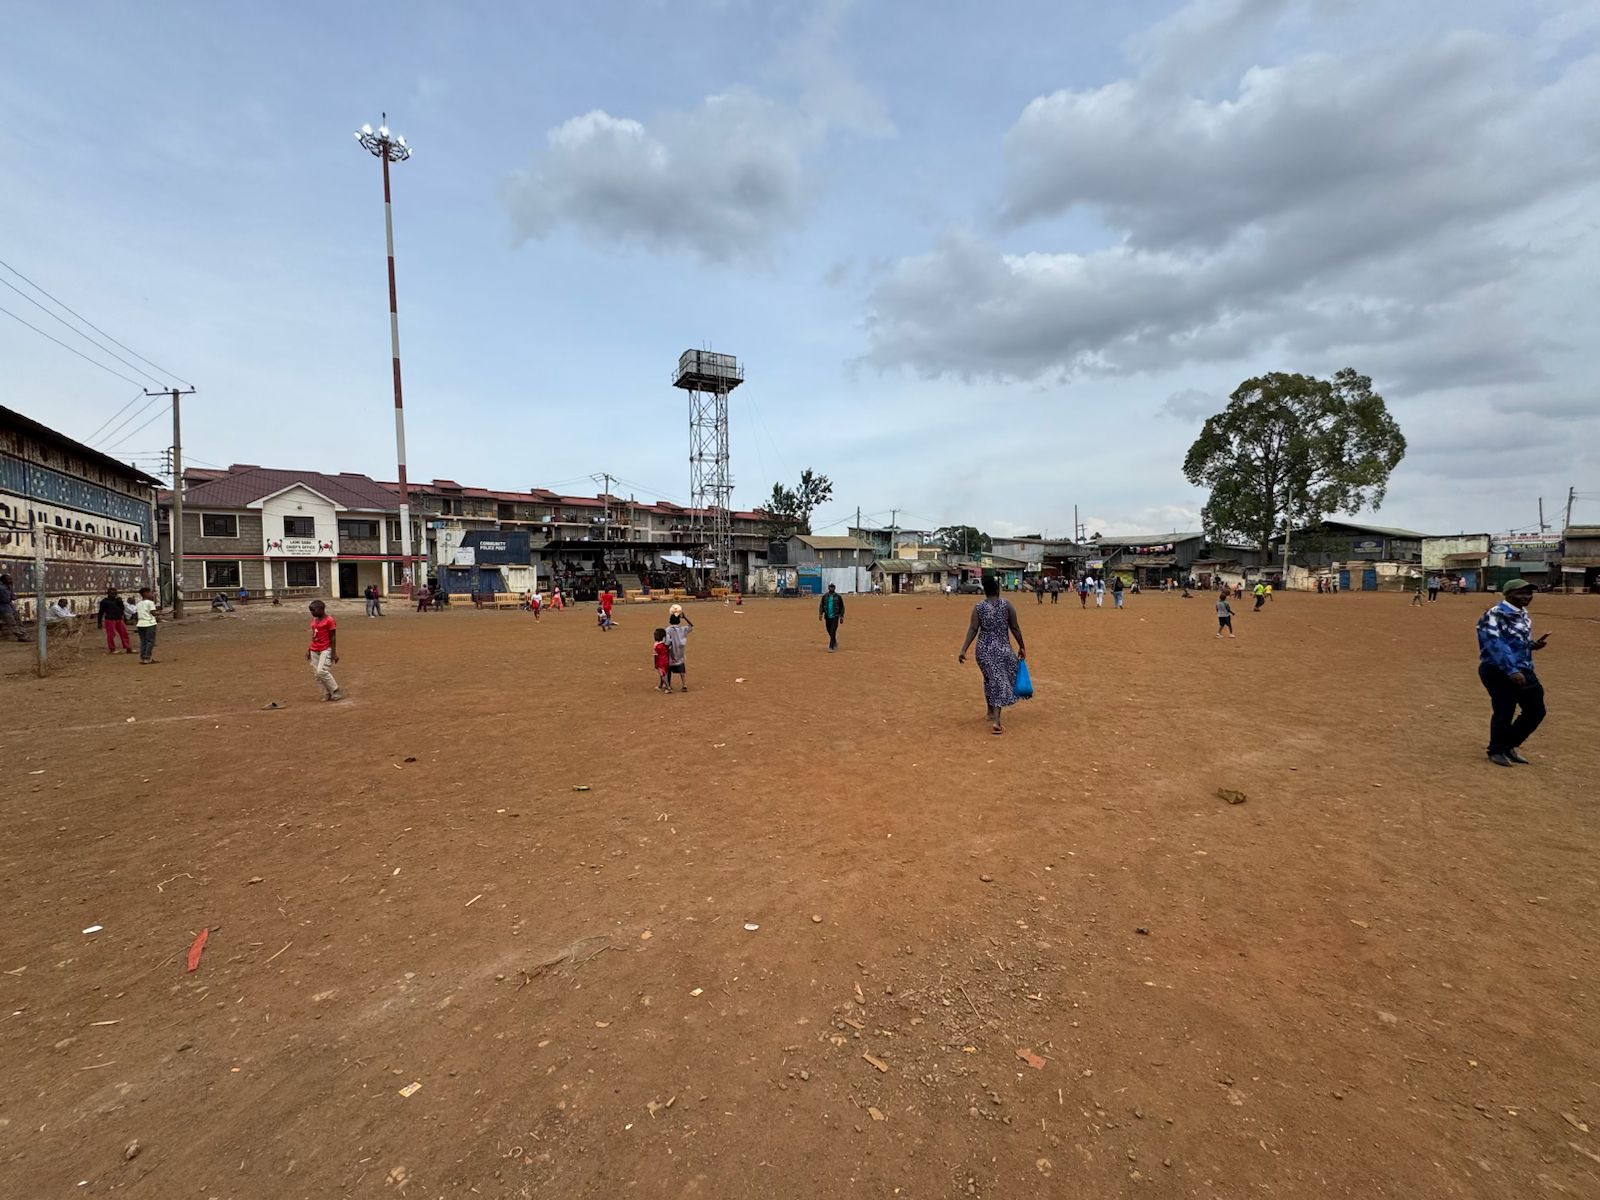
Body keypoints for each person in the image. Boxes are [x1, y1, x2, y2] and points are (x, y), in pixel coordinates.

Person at [1476, 579, 1549, 767]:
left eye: (1529, 593)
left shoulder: (1523, 614)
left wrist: (1532, 646)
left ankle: (1508, 745)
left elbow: (1514, 641)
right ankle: (1496, 750)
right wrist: (1511, 670)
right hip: (1498, 669)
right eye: (1520, 593)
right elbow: (1495, 644)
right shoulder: (1494, 615)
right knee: (1504, 710)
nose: (1526, 597)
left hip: (1523, 667)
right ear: (1507, 594)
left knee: (1536, 710)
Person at [958, 574, 1027, 736]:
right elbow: (1015, 628)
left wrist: (964, 649)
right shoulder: (1007, 605)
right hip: (1002, 649)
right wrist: (1022, 646)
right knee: (999, 681)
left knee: (990, 679)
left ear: (985, 590)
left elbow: (973, 629)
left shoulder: (979, 607)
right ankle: (997, 721)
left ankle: (990, 711)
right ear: (997, 589)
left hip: (983, 651)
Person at [306, 599, 342, 701]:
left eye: (313, 610)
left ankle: (335, 690)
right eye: (311, 611)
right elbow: (314, 636)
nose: (312, 613)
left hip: (325, 648)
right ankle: (326, 693)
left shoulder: (329, 620)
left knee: (321, 671)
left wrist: (334, 653)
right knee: (316, 674)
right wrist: (309, 649)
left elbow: (333, 637)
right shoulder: (314, 620)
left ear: (321, 609)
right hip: (314, 649)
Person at [98, 586, 132, 654]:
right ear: (108, 594)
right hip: (110, 620)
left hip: (119, 619)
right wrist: (99, 622)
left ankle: (128, 647)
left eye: (115, 594)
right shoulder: (104, 602)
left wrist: (120, 603)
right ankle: (112, 648)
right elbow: (101, 612)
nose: (113, 595)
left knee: (124, 633)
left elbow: (122, 609)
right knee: (111, 635)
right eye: (112, 593)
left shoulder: (118, 600)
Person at [665, 609, 693, 689]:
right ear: (679, 621)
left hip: (671, 652)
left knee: (669, 669)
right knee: (681, 669)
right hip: (680, 652)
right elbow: (691, 625)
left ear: (670, 621)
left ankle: (668, 685)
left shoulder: (668, 630)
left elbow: (667, 642)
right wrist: (685, 617)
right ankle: (684, 684)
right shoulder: (682, 629)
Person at [134, 586, 159, 664]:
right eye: (150, 593)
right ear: (146, 593)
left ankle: (143, 657)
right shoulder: (150, 603)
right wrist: (162, 613)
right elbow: (153, 613)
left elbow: (136, 615)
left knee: (143, 641)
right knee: (150, 641)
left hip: (140, 624)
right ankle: (147, 657)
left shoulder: (138, 604)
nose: (151, 594)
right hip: (150, 623)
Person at [819, 583, 845, 652]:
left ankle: (831, 646)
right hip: (827, 616)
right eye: (830, 587)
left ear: (835, 588)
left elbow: (842, 607)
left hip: (835, 616)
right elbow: (821, 605)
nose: (831, 588)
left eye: (833, 587)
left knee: (833, 631)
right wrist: (820, 614)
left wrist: (841, 616)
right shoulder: (825, 596)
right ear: (828, 588)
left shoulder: (838, 597)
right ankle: (834, 641)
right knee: (828, 630)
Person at [0, 574, 24, 642]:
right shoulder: (2, 588)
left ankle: (23, 634)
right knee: (12, 622)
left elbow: (13, 596)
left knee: (18, 619)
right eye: (9, 579)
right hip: (3, 608)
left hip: (10, 607)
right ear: (4, 580)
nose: (11, 580)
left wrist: (12, 597)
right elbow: (6, 599)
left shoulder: (8, 587)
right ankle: (21, 636)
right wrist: (12, 597)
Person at [653, 627, 671, 693]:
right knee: (665, 673)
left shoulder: (656, 645)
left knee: (663, 675)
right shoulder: (664, 644)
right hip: (666, 660)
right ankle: (663, 685)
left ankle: (668, 687)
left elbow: (655, 655)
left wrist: (655, 663)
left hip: (660, 662)